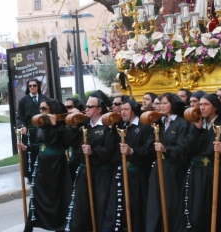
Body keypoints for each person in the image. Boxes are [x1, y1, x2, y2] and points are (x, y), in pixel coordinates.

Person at [176, 94, 221, 231]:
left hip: (213, 175)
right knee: (194, 210)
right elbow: (186, 149)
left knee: (210, 211)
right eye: (200, 104)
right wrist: (196, 130)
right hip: (195, 175)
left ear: (215, 108)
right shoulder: (195, 125)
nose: (201, 107)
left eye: (205, 104)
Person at [20, 99, 71, 232]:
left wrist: (54, 125)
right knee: (37, 195)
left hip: (56, 164)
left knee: (56, 196)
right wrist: (27, 148)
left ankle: (58, 225)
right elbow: (41, 145)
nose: (41, 111)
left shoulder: (60, 125)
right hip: (43, 164)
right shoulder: (41, 125)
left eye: (44, 109)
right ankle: (31, 224)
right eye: (40, 109)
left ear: (52, 110)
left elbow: (59, 142)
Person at [103, 99, 154, 232]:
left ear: (133, 110)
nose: (122, 111)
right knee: (117, 205)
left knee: (136, 205)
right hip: (120, 171)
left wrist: (132, 151)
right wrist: (110, 129)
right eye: (122, 109)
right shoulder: (120, 126)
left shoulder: (145, 126)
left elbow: (148, 150)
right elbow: (111, 147)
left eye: (126, 109)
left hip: (137, 173)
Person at [65, 96, 115, 232]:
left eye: (90, 107)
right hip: (85, 172)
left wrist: (93, 151)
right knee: (81, 207)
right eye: (86, 106)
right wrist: (74, 127)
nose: (86, 109)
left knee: (100, 206)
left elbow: (110, 151)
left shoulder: (107, 127)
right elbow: (72, 144)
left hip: (101, 174)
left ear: (99, 109)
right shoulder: (84, 126)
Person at [146, 93, 189, 232]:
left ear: (173, 105)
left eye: (164, 103)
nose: (161, 106)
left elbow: (182, 149)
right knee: (155, 204)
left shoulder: (181, 124)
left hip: (173, 171)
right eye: (160, 103)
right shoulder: (159, 122)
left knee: (171, 205)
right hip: (158, 168)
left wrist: (166, 150)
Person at [16, 78, 48, 182]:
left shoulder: (44, 99)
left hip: (42, 130)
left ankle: (43, 174)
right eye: (30, 86)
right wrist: (23, 126)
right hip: (29, 131)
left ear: (38, 87)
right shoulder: (23, 100)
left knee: (42, 150)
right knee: (30, 153)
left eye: (34, 85)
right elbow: (20, 117)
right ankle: (30, 176)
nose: (32, 87)